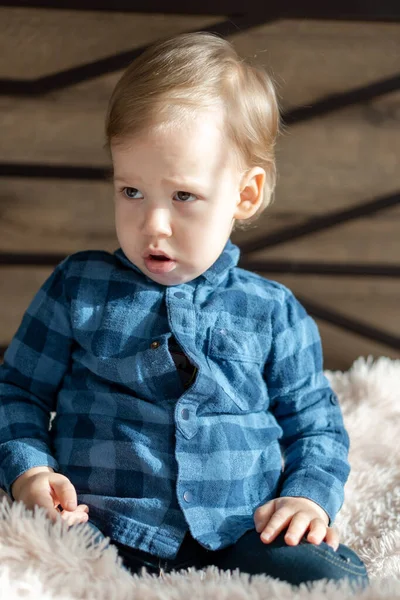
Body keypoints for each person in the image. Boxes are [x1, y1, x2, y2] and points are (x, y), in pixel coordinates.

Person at [0, 32, 369, 590]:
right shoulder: (79, 286)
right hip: (103, 525)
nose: (153, 224)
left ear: (245, 196)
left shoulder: (273, 311)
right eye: (131, 192)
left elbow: (315, 425)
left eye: (183, 197)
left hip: (242, 528)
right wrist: (30, 471)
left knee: (333, 577)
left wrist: (306, 498)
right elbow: (17, 393)